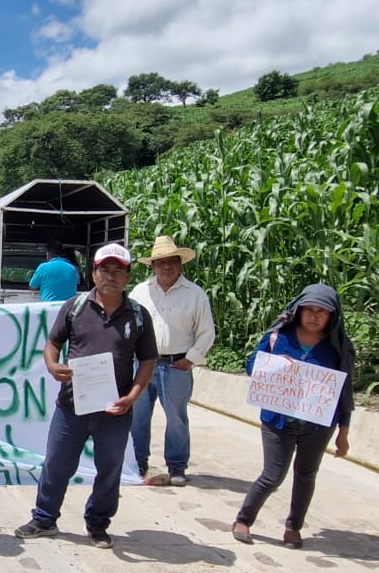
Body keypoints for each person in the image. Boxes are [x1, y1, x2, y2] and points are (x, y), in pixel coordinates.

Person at [15, 243, 157, 548]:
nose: (111, 276)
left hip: (115, 411)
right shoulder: (74, 307)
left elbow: (148, 360)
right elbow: (52, 344)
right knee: (56, 463)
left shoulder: (138, 315)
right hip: (71, 407)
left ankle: (98, 524)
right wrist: (53, 366)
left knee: (109, 471)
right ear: (93, 273)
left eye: (118, 271)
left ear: (128, 276)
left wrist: (132, 395)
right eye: (105, 269)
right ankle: (44, 518)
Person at [232, 284, 355, 549]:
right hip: (278, 421)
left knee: (306, 475)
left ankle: (293, 527)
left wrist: (343, 432)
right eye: (309, 309)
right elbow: (253, 365)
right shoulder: (278, 336)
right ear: (298, 311)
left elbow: (344, 392)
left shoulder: (339, 348)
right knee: (273, 475)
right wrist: (275, 367)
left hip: (318, 426)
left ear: (332, 316)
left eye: (322, 311)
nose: (314, 315)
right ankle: (243, 519)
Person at [129, 235, 216, 487]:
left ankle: (177, 467)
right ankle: (138, 463)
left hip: (177, 365)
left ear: (180, 264)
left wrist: (190, 360)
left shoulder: (195, 294)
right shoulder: (140, 292)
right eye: (161, 262)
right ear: (153, 266)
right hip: (143, 364)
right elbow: (130, 325)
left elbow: (206, 331)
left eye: (171, 262)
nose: (166, 267)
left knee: (177, 418)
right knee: (138, 415)